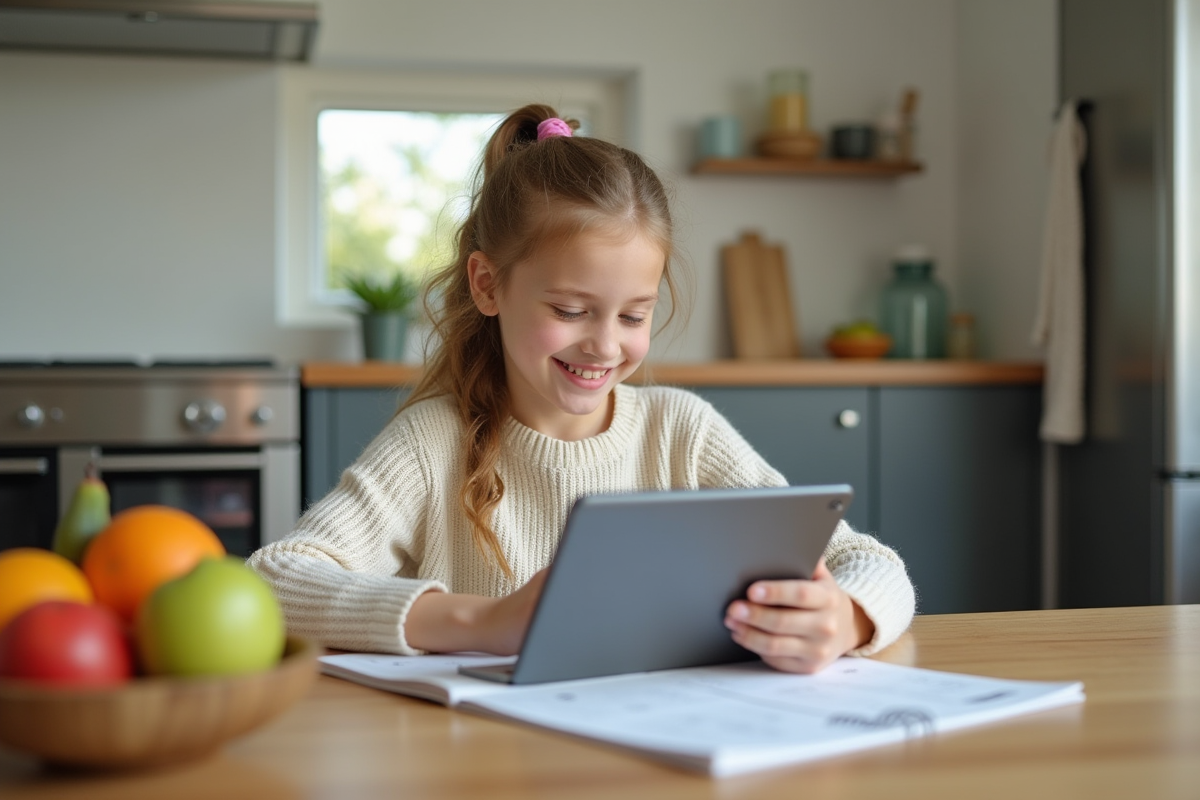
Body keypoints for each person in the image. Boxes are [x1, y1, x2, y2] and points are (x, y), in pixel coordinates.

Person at [249, 104, 915, 674]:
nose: (603, 344)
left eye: (634, 315)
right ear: (487, 286)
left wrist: (845, 618)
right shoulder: (436, 440)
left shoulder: (682, 432)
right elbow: (274, 579)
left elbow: (869, 561)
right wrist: (483, 622)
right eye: (569, 310)